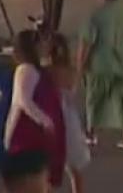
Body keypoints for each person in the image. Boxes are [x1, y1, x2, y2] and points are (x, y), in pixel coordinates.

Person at [79, 0, 123, 148]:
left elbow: (87, 43)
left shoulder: (96, 15)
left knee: (94, 99)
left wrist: (81, 64)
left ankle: (91, 133)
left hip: (100, 64)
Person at [5, 31, 67, 189]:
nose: (43, 47)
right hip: (28, 135)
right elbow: (23, 100)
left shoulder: (36, 69)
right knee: (31, 178)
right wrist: (45, 121)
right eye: (40, 44)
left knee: (42, 177)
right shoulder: (25, 70)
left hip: (38, 135)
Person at [47, 34, 90, 193]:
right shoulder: (71, 71)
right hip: (70, 119)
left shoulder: (49, 71)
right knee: (74, 169)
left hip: (53, 116)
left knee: (49, 167)